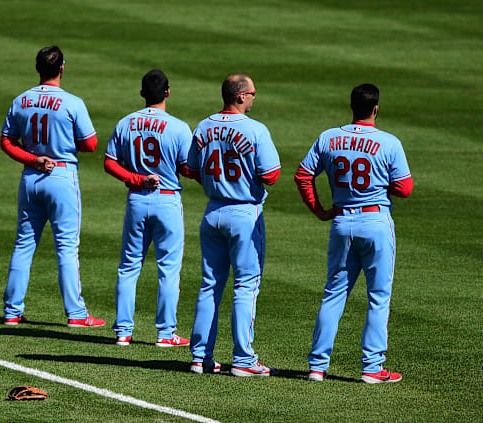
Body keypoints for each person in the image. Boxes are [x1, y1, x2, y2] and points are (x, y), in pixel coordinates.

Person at [294, 83, 413, 383]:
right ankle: (372, 368)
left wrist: (320, 210)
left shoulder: (329, 137)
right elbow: (405, 189)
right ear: (375, 109)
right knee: (378, 297)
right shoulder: (388, 142)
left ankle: (317, 367)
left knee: (334, 293)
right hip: (375, 223)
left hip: (342, 222)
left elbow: (303, 175)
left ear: (352, 107)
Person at [0, 46, 105, 328]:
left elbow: (7, 142)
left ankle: (11, 312)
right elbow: (91, 144)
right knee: (67, 247)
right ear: (62, 68)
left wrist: (34, 159)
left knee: (24, 245)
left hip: (31, 178)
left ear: (37, 69)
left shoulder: (21, 100)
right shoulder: (72, 102)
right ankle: (76, 314)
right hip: (61, 177)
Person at [188, 74, 281, 375]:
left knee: (209, 285)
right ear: (240, 96)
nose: (254, 97)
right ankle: (243, 359)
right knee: (245, 285)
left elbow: (190, 169)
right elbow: (271, 175)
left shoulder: (204, 125)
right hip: (244, 214)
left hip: (212, 211)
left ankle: (200, 357)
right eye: (252, 93)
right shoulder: (255, 130)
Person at [104, 69, 197, 347]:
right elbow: (187, 168)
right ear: (168, 92)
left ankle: (123, 331)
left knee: (129, 267)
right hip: (167, 200)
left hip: (136, 199)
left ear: (142, 93)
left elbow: (109, 163)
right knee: (168, 269)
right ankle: (165, 334)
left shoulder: (125, 123)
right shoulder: (179, 127)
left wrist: (137, 179)